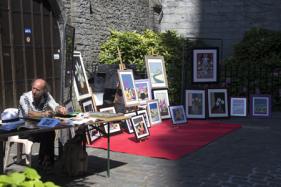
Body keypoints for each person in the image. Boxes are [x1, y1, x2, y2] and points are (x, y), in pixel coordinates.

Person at [18, 78, 67, 168]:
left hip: (38, 127)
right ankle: (45, 161)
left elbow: (54, 105)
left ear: (43, 90)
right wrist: (43, 114)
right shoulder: (24, 97)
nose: (34, 91)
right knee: (47, 133)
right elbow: (28, 113)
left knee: (49, 131)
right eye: (33, 88)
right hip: (24, 129)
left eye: (37, 90)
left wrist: (60, 108)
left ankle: (46, 161)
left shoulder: (46, 95)